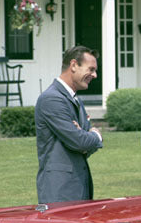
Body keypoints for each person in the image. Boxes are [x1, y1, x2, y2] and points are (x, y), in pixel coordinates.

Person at [35, 46, 103, 203]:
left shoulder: (76, 100)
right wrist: (96, 135)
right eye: (91, 69)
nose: (94, 75)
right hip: (60, 192)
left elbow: (85, 145)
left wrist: (85, 137)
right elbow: (80, 141)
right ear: (73, 65)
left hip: (79, 187)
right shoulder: (52, 99)